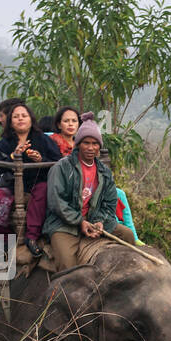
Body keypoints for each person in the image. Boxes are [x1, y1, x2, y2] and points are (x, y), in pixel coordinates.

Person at [43, 113, 136, 269]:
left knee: (127, 235)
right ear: (78, 144)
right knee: (67, 264)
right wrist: (80, 221)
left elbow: (110, 202)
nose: (91, 148)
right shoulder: (62, 167)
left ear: (99, 146)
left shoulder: (104, 172)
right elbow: (56, 202)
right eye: (86, 143)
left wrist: (100, 221)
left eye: (95, 143)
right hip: (65, 224)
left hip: (94, 220)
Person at [0, 101, 62, 255]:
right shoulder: (5, 142)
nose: (20, 119)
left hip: (37, 182)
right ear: (11, 122)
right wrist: (14, 155)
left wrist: (40, 159)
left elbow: (57, 161)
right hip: (11, 184)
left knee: (42, 189)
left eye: (24, 116)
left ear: (31, 119)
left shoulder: (42, 139)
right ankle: (4, 239)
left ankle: (31, 237)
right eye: (16, 116)